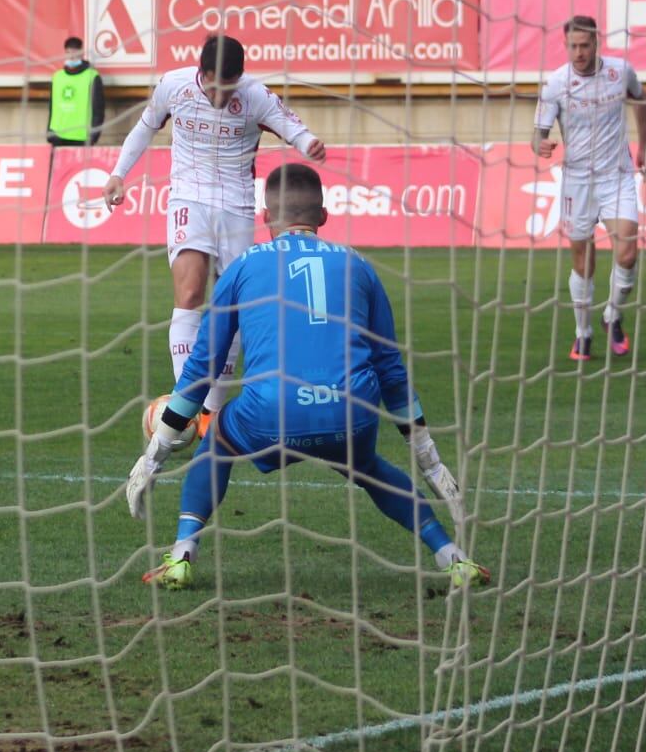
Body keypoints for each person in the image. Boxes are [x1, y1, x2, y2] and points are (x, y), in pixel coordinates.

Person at [126, 164, 489, 593]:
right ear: (325, 215)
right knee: (367, 465)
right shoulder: (359, 265)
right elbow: (391, 369)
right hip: (349, 412)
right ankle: (453, 557)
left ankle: (183, 553)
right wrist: (429, 458)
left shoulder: (242, 268)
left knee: (217, 440)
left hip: (271, 413)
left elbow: (203, 368)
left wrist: (155, 455)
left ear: (265, 217)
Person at [102, 35, 328, 433]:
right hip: (188, 197)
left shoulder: (255, 96)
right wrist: (119, 173)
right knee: (189, 292)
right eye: (215, 86)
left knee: (230, 308)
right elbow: (143, 128)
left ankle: (210, 413)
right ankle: (185, 400)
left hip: (236, 204)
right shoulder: (174, 86)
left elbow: (292, 127)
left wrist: (309, 143)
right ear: (201, 73)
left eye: (230, 86)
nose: (222, 94)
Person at [532, 15, 646, 361]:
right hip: (577, 182)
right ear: (566, 44)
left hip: (617, 175)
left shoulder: (620, 72)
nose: (579, 52)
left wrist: (644, 147)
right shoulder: (556, 83)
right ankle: (582, 334)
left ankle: (612, 315)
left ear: (597, 43)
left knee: (628, 252)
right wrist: (539, 146)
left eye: (585, 45)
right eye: (573, 46)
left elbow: (642, 101)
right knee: (583, 260)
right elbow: (536, 133)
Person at [46, 37, 105, 146]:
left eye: (75, 52)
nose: (71, 56)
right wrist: (49, 131)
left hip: (82, 138)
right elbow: (52, 107)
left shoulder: (92, 76)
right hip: (58, 137)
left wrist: (94, 136)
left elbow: (98, 110)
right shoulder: (57, 77)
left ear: (81, 53)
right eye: (68, 52)